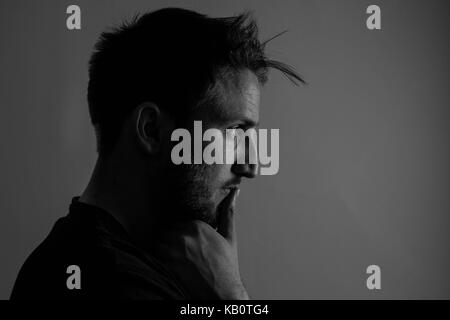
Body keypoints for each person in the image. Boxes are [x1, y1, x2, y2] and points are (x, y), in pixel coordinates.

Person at [11, 7, 303, 299]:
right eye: (235, 131)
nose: (250, 166)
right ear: (152, 130)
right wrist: (231, 296)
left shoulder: (157, 263)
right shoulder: (110, 281)